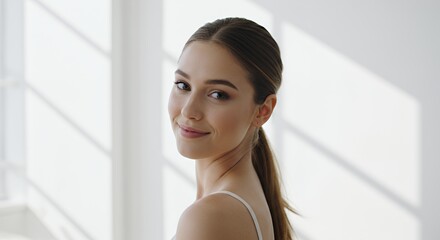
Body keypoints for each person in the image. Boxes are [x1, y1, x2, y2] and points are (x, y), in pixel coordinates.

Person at [168, 17, 295, 240]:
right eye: (183, 85)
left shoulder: (210, 216)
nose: (189, 111)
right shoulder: (241, 197)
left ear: (263, 111)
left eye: (217, 94)